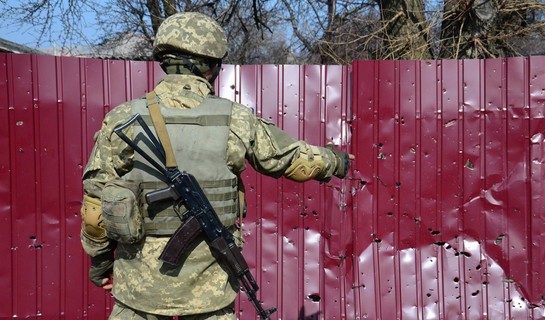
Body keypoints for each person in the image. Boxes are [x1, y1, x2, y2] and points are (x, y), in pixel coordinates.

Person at [79, 12, 354, 320]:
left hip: (139, 289)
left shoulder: (122, 119)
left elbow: (95, 209)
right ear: (212, 66)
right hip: (209, 289)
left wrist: (100, 263)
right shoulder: (235, 118)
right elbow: (287, 159)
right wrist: (335, 160)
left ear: (165, 60)